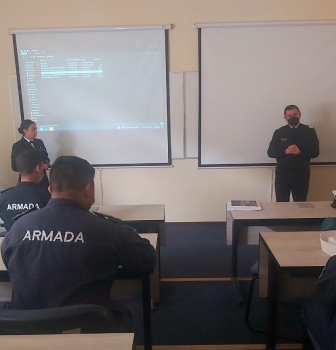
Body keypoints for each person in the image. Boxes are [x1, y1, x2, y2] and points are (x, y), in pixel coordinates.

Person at [1, 155, 156, 331]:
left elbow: (8, 261)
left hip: (24, 330)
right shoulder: (107, 230)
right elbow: (146, 260)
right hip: (86, 330)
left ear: (50, 189)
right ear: (89, 190)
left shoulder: (18, 227)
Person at [267, 105, 319, 202]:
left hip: (301, 175)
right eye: (289, 116)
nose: (292, 117)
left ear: (300, 115)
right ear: (285, 118)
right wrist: (285, 151)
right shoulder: (279, 132)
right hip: (283, 175)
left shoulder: (309, 131)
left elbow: (315, 152)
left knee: (300, 204)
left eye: (295, 114)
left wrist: (300, 152)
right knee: (282, 205)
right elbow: (270, 152)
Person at [0, 150, 50, 231]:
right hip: (38, 242)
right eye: (42, 166)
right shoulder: (47, 197)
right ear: (38, 168)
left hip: (12, 241)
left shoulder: (4, 197)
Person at [11, 119, 50, 189]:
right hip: (27, 180)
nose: (36, 132)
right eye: (33, 129)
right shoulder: (18, 145)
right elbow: (14, 166)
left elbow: (45, 157)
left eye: (36, 129)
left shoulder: (39, 142)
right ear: (25, 131)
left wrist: (46, 163)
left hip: (43, 180)